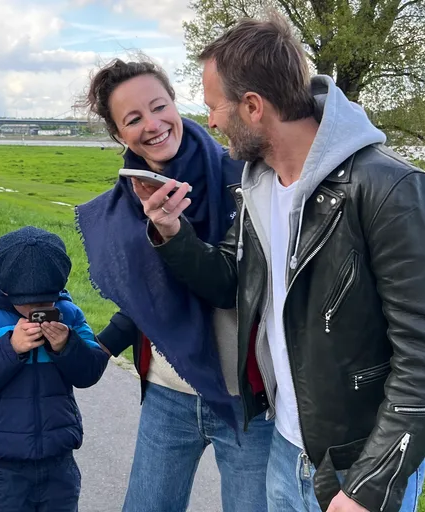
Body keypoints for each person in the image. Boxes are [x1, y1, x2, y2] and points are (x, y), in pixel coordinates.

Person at [136, 14, 425, 512]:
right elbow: (230, 284)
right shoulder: (256, 186)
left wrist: (369, 486)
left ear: (252, 107)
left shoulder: (392, 190)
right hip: (283, 447)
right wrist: (171, 232)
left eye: (213, 107)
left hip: (354, 465)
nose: (210, 122)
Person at [75, 58, 274, 512]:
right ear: (118, 133)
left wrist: (172, 232)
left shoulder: (242, 178)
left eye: (158, 106)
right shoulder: (131, 198)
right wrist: (102, 346)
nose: (152, 124)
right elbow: (148, 294)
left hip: (247, 401)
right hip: (168, 393)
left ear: (175, 103)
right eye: (133, 119)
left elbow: (230, 288)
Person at [0, 226, 109, 512]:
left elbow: (90, 371)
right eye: (30, 304)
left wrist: (67, 345)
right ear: (5, 287)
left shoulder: (70, 315)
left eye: (47, 302)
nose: (40, 310)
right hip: (6, 465)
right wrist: (10, 348)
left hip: (59, 460)